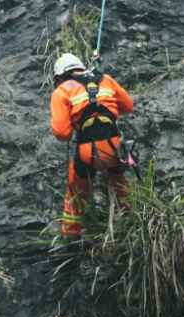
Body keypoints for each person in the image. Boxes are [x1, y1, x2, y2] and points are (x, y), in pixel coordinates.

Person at [49, 52, 134, 238]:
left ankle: (71, 236)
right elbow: (128, 106)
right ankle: (132, 223)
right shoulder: (106, 79)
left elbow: (62, 134)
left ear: (60, 76)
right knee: (119, 184)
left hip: (88, 151)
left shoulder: (62, 91)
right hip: (115, 147)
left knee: (75, 192)